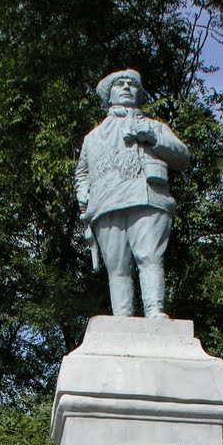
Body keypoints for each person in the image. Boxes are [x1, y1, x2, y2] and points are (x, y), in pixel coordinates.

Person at [75, 69, 190, 318]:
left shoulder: (153, 126)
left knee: (149, 256)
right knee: (117, 267)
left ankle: (155, 311)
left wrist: (152, 139)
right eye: (120, 84)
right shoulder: (92, 138)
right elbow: (82, 173)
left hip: (147, 197)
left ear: (138, 94)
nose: (127, 87)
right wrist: (83, 193)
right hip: (106, 203)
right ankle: (122, 319)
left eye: (132, 84)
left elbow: (182, 156)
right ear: (109, 94)